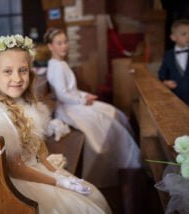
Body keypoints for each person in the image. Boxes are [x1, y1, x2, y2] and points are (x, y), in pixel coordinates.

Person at [0, 35, 112, 214]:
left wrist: (57, 173)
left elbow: (38, 150)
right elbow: (15, 169)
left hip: (38, 169)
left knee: (92, 196)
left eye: (23, 70)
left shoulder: (25, 104)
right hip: (19, 183)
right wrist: (58, 182)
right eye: (7, 71)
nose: (17, 78)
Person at [44, 28, 141, 188]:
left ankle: (122, 156)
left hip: (74, 102)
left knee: (111, 111)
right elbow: (62, 95)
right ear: (50, 47)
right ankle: (115, 161)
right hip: (69, 109)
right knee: (104, 119)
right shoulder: (56, 66)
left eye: (65, 42)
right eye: (59, 43)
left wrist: (85, 96)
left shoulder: (61, 63)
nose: (64, 46)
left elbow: (71, 90)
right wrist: (83, 101)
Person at [158, 19, 189, 111]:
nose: (188, 37)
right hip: (174, 96)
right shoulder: (168, 55)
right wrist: (165, 82)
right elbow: (162, 73)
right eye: (184, 34)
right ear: (173, 37)